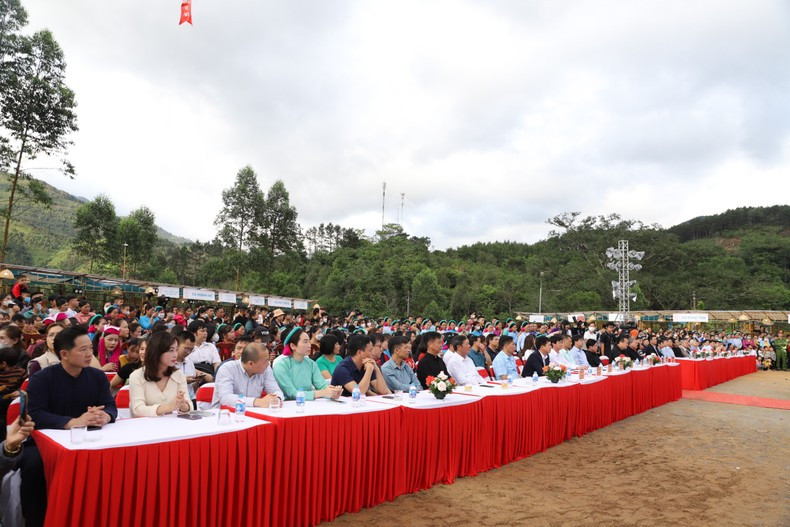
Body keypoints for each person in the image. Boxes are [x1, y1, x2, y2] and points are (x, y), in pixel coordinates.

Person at [24, 325, 117, 527]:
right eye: (82, 350)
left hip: (90, 436)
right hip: (45, 439)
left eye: (90, 348)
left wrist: (105, 416)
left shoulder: (97, 376)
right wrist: (73, 422)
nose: (89, 354)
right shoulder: (42, 378)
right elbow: (36, 414)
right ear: (64, 354)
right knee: (33, 466)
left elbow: (110, 406)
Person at [128, 331, 192, 417]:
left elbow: (189, 405)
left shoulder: (179, 375)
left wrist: (184, 406)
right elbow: (137, 409)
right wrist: (168, 407)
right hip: (144, 427)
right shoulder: (136, 376)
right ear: (157, 352)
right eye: (171, 350)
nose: (175, 355)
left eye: (176, 350)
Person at [272, 327, 341, 400]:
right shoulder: (281, 365)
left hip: (309, 405)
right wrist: (323, 392)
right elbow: (291, 393)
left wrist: (332, 392)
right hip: (288, 406)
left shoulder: (311, 364)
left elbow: (322, 385)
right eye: (305, 342)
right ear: (293, 346)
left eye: (309, 341)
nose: (309, 345)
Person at [212, 342, 284, 409]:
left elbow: (276, 390)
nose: (268, 364)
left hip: (253, 414)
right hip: (224, 415)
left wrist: (277, 399)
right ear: (251, 364)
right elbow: (225, 398)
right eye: (265, 361)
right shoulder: (227, 369)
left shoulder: (266, 369)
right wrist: (257, 402)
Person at [0, 346, 27, 440]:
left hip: (13, 398)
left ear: (3, 363)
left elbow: (25, 386)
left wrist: (18, 392)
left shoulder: (20, 372)